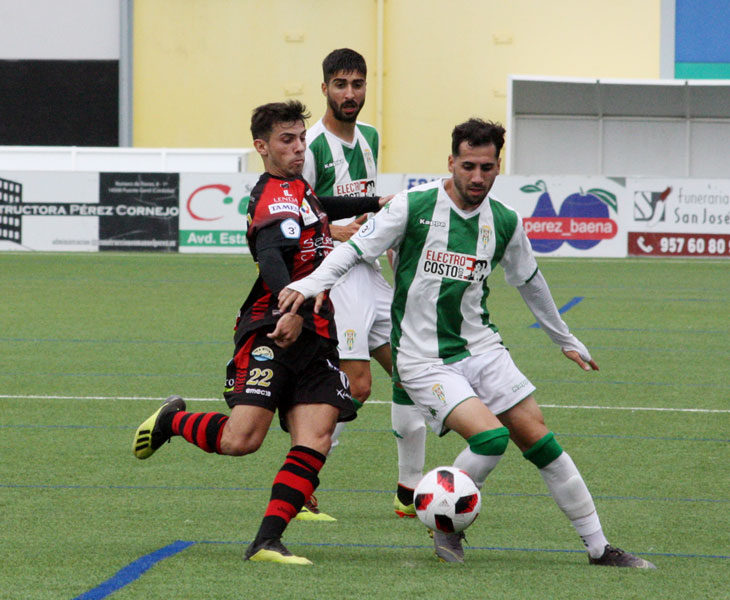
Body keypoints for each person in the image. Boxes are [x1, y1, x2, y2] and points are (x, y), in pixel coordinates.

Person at [278, 118, 657, 568]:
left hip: (482, 349)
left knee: (542, 442)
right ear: (451, 162)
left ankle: (599, 548)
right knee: (491, 439)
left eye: (487, 167)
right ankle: (442, 520)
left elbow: (530, 282)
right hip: (423, 359)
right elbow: (353, 250)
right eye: (468, 166)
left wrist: (564, 338)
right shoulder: (412, 206)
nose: (477, 177)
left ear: (498, 166)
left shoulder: (505, 221)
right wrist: (307, 286)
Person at [132, 100, 385, 565]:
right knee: (241, 440)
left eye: (301, 139)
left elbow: (321, 206)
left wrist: (376, 202)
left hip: (316, 331)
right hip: (272, 327)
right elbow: (270, 254)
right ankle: (173, 421)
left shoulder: (299, 189)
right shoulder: (273, 194)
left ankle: (267, 540)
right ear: (261, 147)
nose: (297, 147)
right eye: (286, 140)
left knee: (317, 435)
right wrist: (288, 308)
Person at [302, 47, 427, 521]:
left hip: (369, 271)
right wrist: (334, 231)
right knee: (356, 386)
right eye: (340, 84)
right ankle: (299, 485)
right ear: (325, 88)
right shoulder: (310, 146)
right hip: (337, 275)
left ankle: (407, 491)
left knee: (413, 368)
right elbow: (292, 210)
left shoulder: (370, 137)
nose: (349, 93)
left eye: (357, 84)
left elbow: (369, 210)